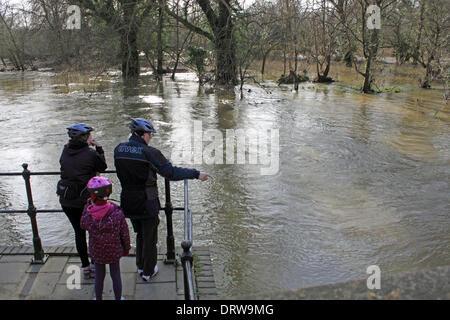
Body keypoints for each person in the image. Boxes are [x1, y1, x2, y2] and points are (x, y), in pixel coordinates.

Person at [114, 118, 212, 281]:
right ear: (142, 134)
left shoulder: (119, 149)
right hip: (147, 201)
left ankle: (140, 265)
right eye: (149, 134)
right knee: (150, 236)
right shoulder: (149, 152)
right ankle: (148, 271)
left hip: (127, 200)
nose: (150, 137)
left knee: (139, 233)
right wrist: (196, 174)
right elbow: (170, 172)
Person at [57, 123, 107, 279]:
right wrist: (98, 147)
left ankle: (85, 267)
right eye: (90, 136)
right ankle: (94, 264)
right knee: (92, 232)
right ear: (85, 138)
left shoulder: (66, 149)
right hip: (84, 200)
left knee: (79, 233)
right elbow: (103, 166)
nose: (92, 138)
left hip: (66, 199)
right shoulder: (90, 154)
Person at [81, 176, 131, 300]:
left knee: (99, 276)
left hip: (97, 251)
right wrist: (126, 248)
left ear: (92, 196)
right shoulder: (117, 212)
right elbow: (125, 232)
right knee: (115, 275)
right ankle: (118, 298)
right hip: (114, 250)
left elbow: (82, 224)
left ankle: (98, 298)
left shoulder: (89, 214)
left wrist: (88, 206)